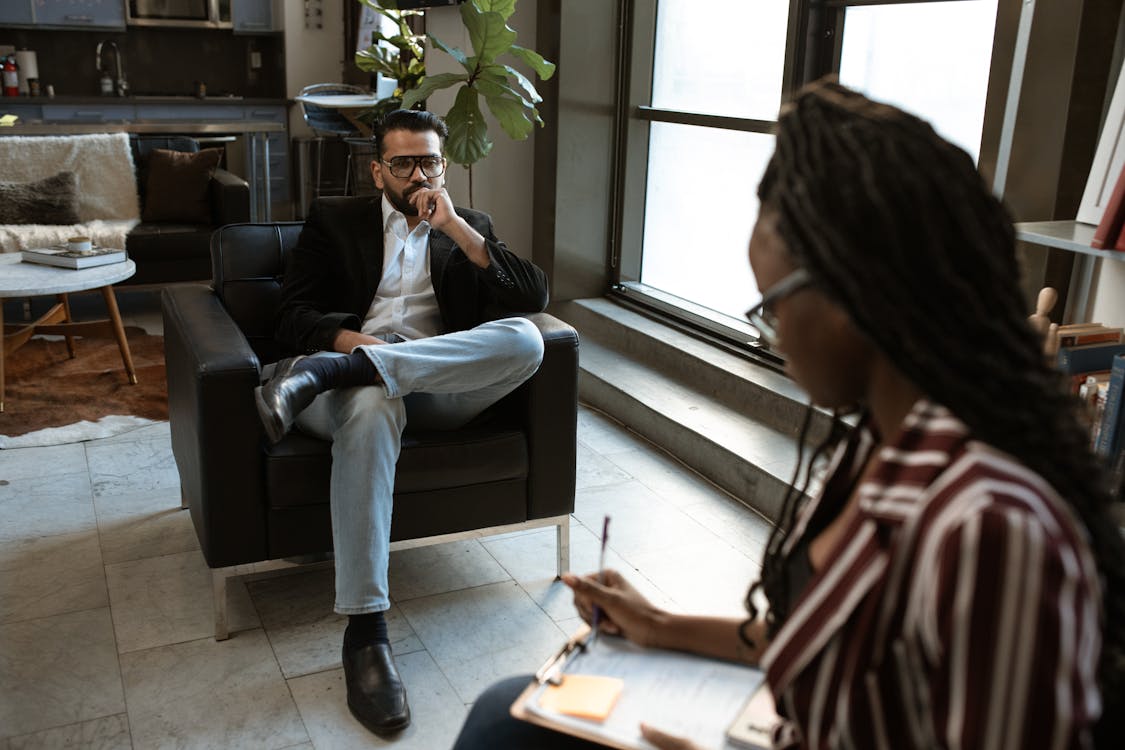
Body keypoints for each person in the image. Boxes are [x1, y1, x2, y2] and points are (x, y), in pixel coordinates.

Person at [452, 80, 1125, 749]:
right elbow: (829, 643)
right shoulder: (875, 443)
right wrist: (660, 624)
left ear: (852, 293)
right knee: (507, 713)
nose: (764, 335)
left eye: (769, 307)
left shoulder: (987, 532)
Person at [256, 109, 549, 736]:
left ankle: (359, 369)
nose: (419, 174)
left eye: (430, 162)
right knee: (370, 399)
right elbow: (291, 316)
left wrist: (461, 231)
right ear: (377, 170)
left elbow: (533, 296)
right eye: (404, 163)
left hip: (434, 390)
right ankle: (366, 633)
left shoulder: (468, 229)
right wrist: (351, 344)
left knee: (527, 340)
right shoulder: (335, 221)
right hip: (343, 397)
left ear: (445, 166)